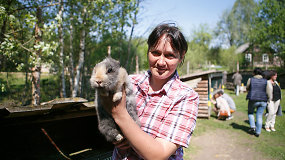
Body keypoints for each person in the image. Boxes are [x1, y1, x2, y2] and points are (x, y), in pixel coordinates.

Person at [109, 23, 199, 159]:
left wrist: (120, 114)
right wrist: (114, 134)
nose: (161, 62)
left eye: (170, 55)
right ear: (148, 50)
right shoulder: (129, 82)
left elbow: (158, 155)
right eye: (155, 53)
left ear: (181, 56)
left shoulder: (186, 97)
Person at [246, 68, 268, 137]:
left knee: (250, 113)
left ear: (254, 73)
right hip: (263, 100)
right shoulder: (265, 81)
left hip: (253, 99)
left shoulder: (251, 79)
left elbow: (247, 88)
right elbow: (268, 90)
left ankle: (253, 127)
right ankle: (258, 132)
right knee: (259, 116)